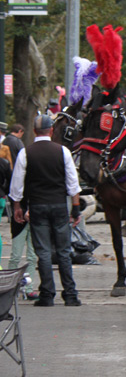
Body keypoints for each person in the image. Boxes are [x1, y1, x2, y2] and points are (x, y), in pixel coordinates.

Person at [9, 115, 83, 307]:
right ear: (51, 131)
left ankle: (47, 294)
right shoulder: (63, 152)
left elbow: (17, 184)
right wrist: (75, 209)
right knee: (64, 251)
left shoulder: (26, 153)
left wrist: (17, 207)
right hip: (59, 205)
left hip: (37, 206)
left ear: (34, 131)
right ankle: (70, 294)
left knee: (43, 251)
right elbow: (73, 184)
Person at [5, 123, 38, 299]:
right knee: (18, 254)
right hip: (25, 217)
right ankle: (14, 287)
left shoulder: (27, 177)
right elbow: (15, 194)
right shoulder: (24, 178)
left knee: (30, 255)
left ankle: (27, 286)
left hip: (26, 216)